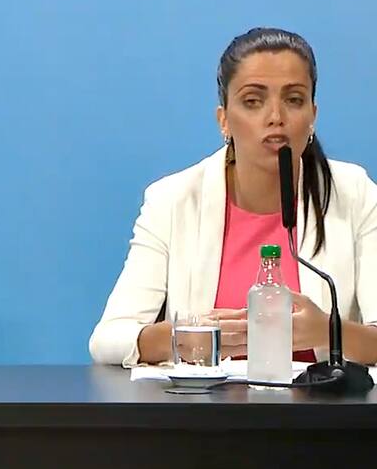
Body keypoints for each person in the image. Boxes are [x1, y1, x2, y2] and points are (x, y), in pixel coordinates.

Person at [90, 28, 377, 366]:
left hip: (321, 416)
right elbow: (108, 339)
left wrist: (329, 332)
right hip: (205, 414)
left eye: (294, 99)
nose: (276, 117)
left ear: (312, 115)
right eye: (253, 101)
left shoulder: (354, 194)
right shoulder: (173, 200)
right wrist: (184, 337)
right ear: (223, 119)